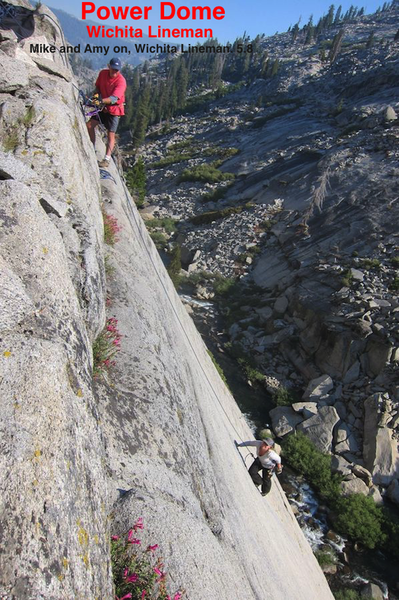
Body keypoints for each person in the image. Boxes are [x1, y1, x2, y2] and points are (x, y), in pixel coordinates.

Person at [87, 57, 127, 168]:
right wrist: (96, 97)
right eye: (113, 69)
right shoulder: (103, 74)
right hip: (102, 107)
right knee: (90, 125)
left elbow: (114, 98)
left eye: (117, 70)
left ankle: (106, 159)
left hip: (114, 110)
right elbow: (98, 88)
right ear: (109, 67)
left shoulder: (121, 81)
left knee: (111, 134)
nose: (114, 72)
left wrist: (100, 101)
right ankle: (92, 148)